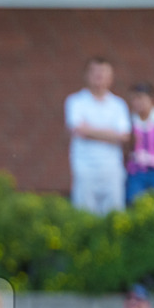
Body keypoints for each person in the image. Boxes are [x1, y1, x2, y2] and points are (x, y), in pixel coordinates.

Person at [64, 57, 131, 215]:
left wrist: (89, 130)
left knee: (114, 216)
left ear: (111, 77)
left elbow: (124, 136)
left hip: (112, 169)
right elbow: (77, 130)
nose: (99, 76)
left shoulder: (118, 104)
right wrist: (111, 134)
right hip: (84, 167)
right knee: (84, 215)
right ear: (86, 75)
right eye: (95, 72)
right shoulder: (75, 101)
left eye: (103, 72)